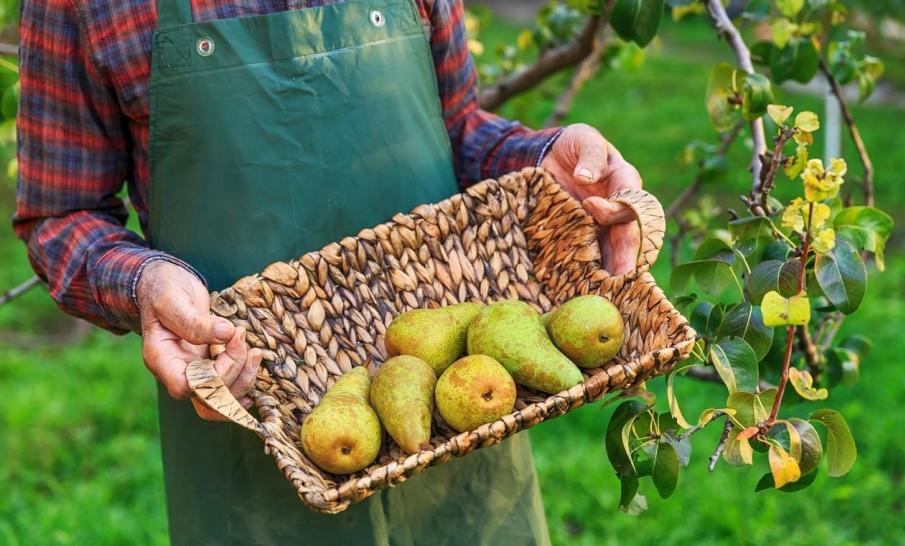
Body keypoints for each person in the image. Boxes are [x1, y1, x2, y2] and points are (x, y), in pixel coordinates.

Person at [14, 0, 644, 544]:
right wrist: (145, 284)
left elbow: (456, 129)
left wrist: (544, 166)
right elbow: (60, 214)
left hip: (459, 417)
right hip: (251, 412)